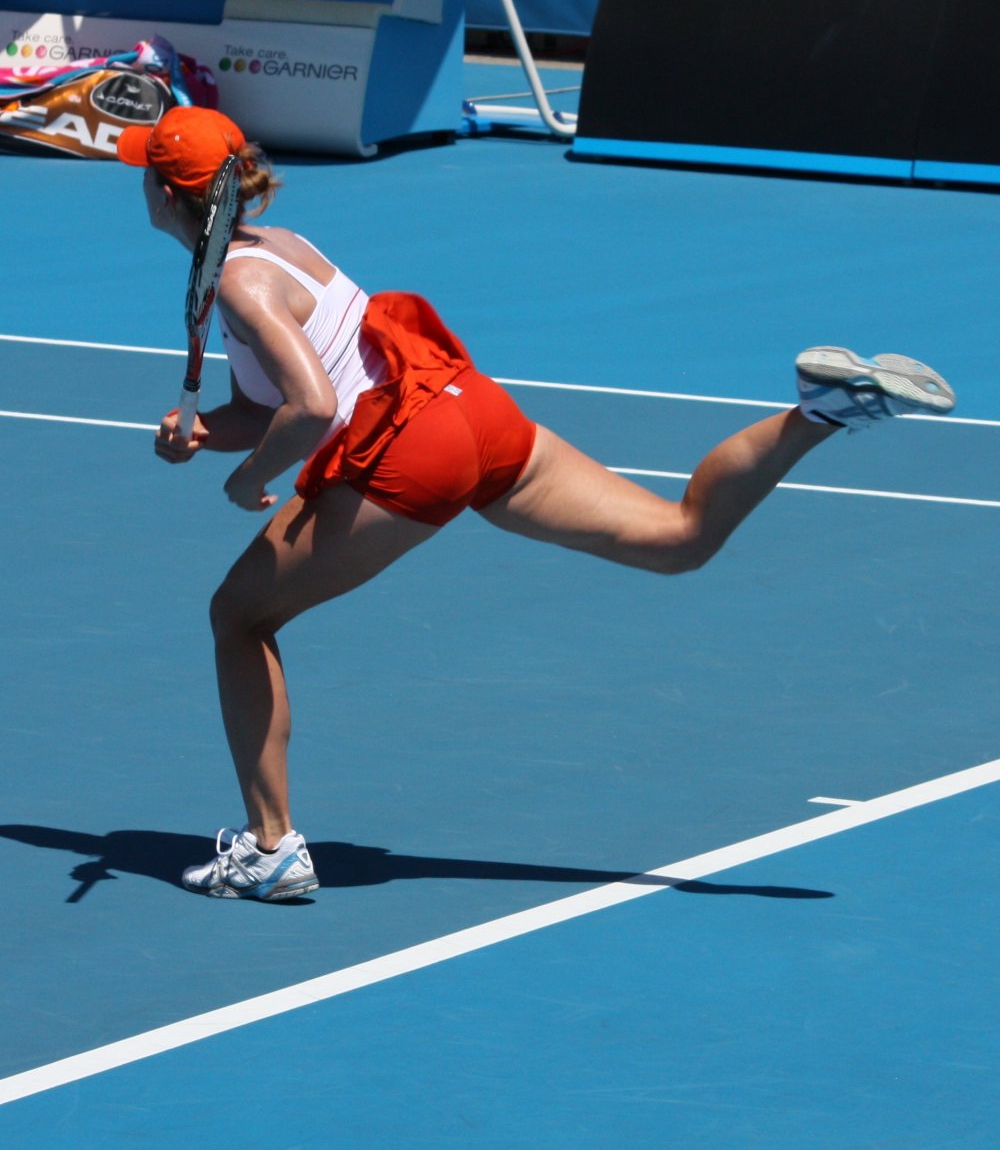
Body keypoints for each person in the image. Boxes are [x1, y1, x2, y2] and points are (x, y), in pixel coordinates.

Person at [117, 106, 956, 901]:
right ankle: (819, 412)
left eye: (144, 176)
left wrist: (245, 475)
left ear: (165, 193)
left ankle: (269, 849)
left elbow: (307, 407)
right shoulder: (280, 245)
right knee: (678, 538)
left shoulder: (237, 285)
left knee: (239, 615)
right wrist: (203, 437)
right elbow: (270, 401)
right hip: (468, 411)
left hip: (410, 450)